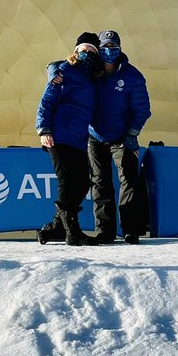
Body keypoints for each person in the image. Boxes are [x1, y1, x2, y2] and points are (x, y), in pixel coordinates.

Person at [34, 32, 102, 246]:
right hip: (58, 135)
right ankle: (73, 231)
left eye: (92, 50)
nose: (88, 53)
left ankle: (55, 228)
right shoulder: (64, 71)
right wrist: (43, 129)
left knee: (82, 182)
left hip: (79, 139)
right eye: (84, 49)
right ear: (75, 52)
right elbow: (47, 100)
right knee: (66, 181)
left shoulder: (93, 78)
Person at [88, 30, 151, 244]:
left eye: (113, 48)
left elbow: (142, 108)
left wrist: (132, 135)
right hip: (95, 137)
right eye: (105, 48)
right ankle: (105, 231)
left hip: (122, 138)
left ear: (120, 49)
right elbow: (60, 68)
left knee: (128, 181)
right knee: (100, 182)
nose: (109, 52)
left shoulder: (132, 76)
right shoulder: (90, 71)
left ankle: (131, 230)